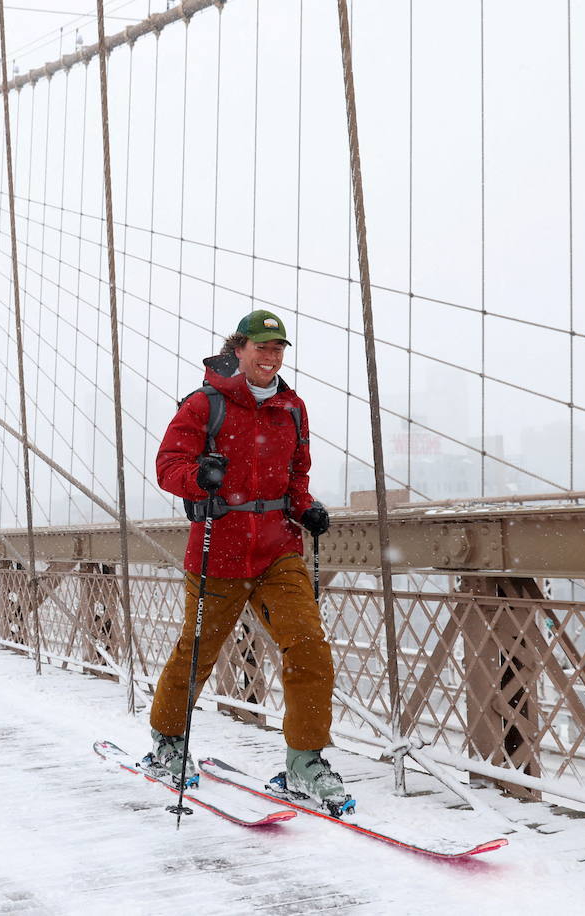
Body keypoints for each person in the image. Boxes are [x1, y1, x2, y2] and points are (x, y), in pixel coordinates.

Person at [144, 308, 350, 814]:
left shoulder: (293, 408)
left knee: (309, 650)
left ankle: (305, 762)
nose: (270, 356)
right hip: (220, 548)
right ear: (239, 350)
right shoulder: (204, 404)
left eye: (278, 348)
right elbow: (168, 465)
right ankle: (169, 742)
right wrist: (200, 480)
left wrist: (306, 508)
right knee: (197, 653)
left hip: (278, 550)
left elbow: (294, 475)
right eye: (261, 347)